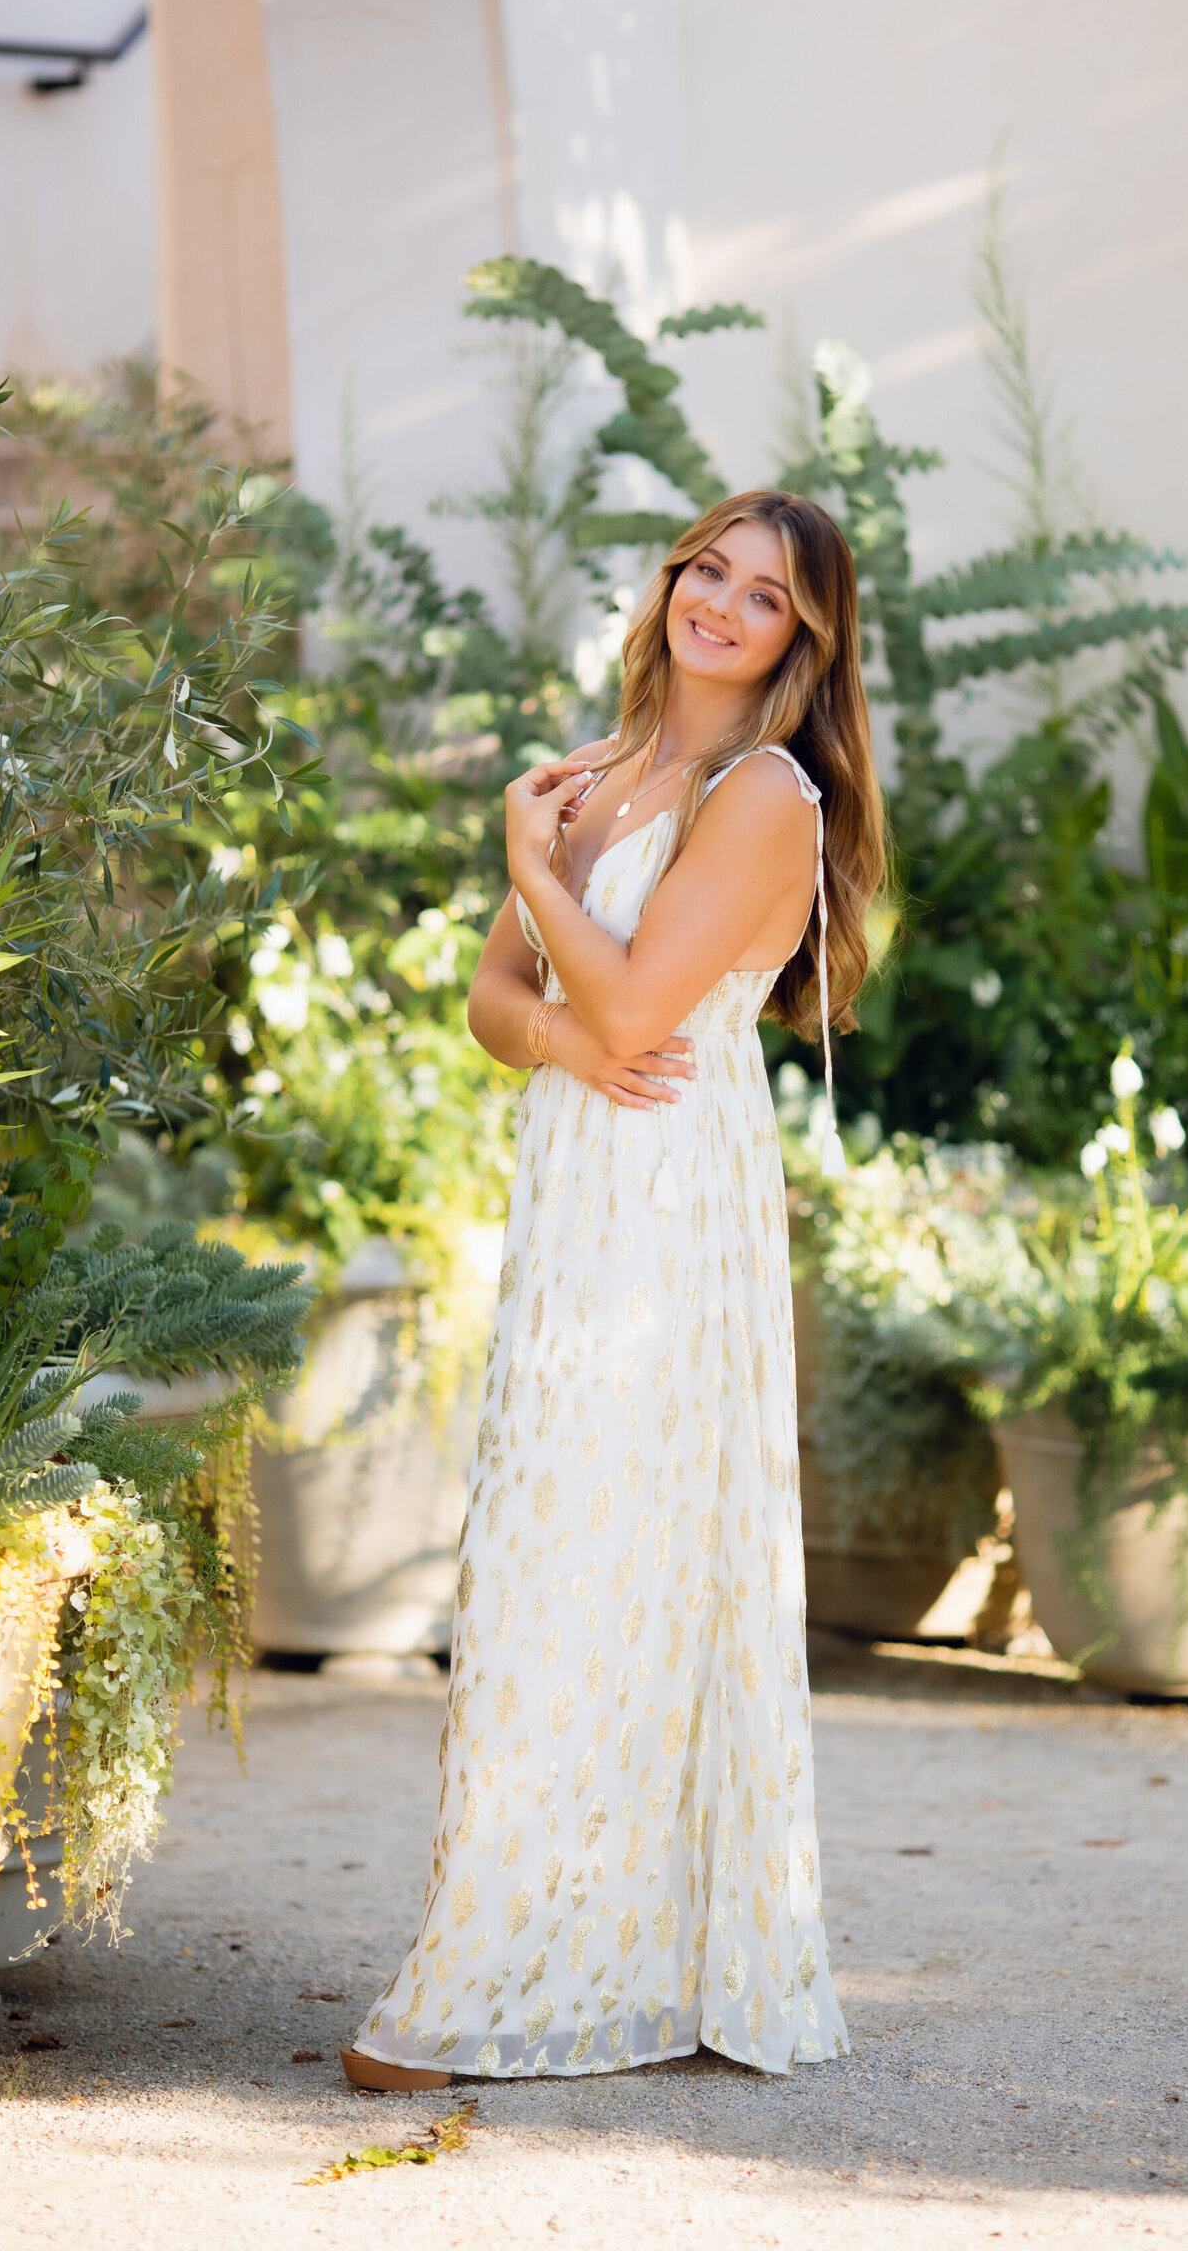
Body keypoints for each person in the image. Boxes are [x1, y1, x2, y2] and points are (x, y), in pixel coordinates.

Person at [342, 488, 886, 2088]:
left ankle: (504, 1976)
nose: (720, 603)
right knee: (546, 1557)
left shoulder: (765, 793)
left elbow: (642, 1003)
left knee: (611, 1555)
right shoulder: (613, 765)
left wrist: (533, 871)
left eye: (765, 593)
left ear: (807, 638)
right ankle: (579, 1943)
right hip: (580, 1187)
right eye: (705, 569)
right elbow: (493, 998)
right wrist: (572, 1026)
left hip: (668, 1204)